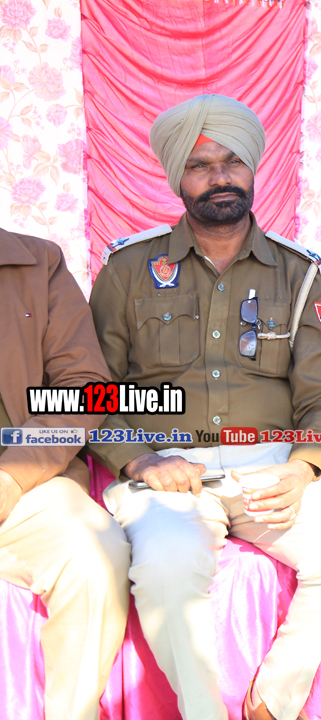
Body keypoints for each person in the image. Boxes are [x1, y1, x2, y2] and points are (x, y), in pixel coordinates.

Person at [87, 94, 321, 720]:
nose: (219, 176)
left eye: (232, 162)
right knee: (167, 569)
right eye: (200, 165)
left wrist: (303, 468)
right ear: (177, 178)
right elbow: (91, 388)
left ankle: (272, 701)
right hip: (167, 471)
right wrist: (140, 461)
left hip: (272, 468)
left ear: (253, 168)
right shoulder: (128, 269)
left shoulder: (299, 274)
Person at [0, 226, 131, 720]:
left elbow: (85, 386)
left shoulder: (37, 262)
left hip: (24, 481)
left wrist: (12, 477)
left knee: (95, 554)